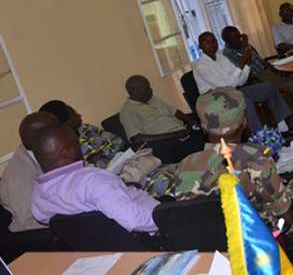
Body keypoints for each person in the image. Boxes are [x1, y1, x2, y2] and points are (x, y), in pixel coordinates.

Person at [175, 87, 293, 237]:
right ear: (244, 121)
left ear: (203, 126)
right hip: (265, 237)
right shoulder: (257, 159)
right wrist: (292, 193)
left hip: (218, 242)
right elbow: (285, 217)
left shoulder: (185, 165)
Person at [30, 124, 160, 233]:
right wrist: (170, 220)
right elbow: (136, 220)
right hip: (155, 229)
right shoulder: (92, 180)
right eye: (76, 143)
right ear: (67, 151)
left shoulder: (37, 196)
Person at [40, 100, 179, 197]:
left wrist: (103, 152)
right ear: (65, 121)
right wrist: (90, 161)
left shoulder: (87, 129)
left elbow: (117, 141)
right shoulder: (63, 150)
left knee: (177, 170)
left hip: (130, 164)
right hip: (118, 182)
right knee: (166, 182)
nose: (78, 114)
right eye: (72, 113)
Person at [192, 32, 293, 135]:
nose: (212, 45)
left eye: (214, 41)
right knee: (246, 102)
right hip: (216, 100)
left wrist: (247, 64)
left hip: (234, 92)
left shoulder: (221, 57)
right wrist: (242, 63)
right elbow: (226, 85)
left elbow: (240, 81)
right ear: (200, 46)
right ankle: (260, 137)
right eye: (207, 42)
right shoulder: (199, 65)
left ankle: (284, 129)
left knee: (270, 87)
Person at [221, 26, 293, 115]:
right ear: (227, 42)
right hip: (257, 78)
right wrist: (245, 48)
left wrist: (276, 69)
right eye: (235, 39)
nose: (239, 39)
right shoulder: (227, 55)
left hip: (268, 70)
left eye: (239, 36)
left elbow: (261, 60)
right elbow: (241, 71)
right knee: (290, 83)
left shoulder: (243, 44)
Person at [120, 75, 204, 163]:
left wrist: (191, 121)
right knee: (203, 150)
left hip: (184, 131)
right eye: (146, 88)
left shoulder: (151, 98)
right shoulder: (128, 111)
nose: (150, 90)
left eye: (149, 86)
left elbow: (174, 111)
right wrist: (174, 134)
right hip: (168, 142)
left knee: (211, 131)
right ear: (134, 91)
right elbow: (137, 138)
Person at [0, 113, 58, 232]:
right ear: (39, 139)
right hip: (37, 236)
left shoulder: (46, 152)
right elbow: (28, 222)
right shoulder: (17, 176)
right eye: (56, 130)